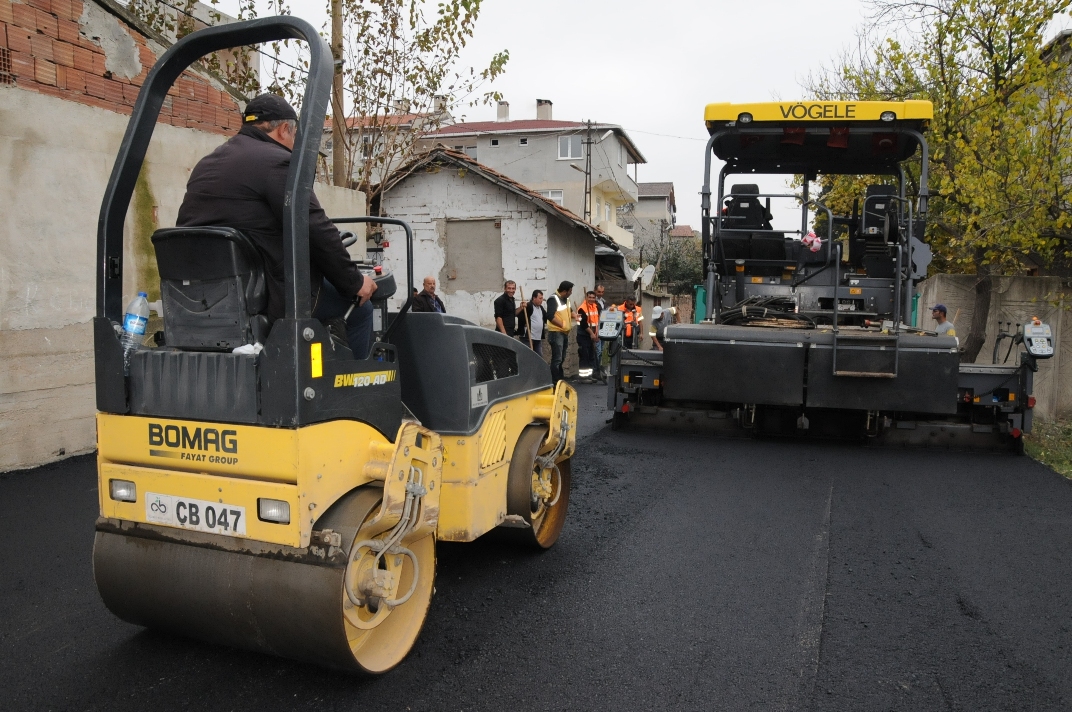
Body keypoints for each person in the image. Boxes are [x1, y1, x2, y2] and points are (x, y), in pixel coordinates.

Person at [176, 93, 377, 357]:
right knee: (361, 309)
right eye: (294, 136)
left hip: (202, 298)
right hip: (265, 297)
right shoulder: (276, 161)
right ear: (284, 130)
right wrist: (353, 281)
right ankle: (353, 394)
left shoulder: (207, 163)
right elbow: (314, 227)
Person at [545, 281, 574, 385]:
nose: (571, 292)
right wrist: (563, 325)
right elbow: (550, 316)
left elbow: (570, 311)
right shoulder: (553, 299)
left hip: (564, 332)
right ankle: (554, 381)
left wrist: (575, 316)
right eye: (570, 291)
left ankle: (560, 380)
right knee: (557, 359)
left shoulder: (566, 299)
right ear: (565, 291)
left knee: (561, 358)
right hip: (556, 332)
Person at [576, 290, 601, 381]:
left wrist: (596, 334)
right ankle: (583, 377)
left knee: (591, 355)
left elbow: (597, 322)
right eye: (589, 297)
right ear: (586, 297)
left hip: (593, 334)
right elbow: (583, 324)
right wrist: (591, 333)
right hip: (584, 335)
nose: (591, 299)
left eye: (593, 298)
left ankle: (590, 375)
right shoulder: (582, 308)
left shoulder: (596, 307)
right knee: (584, 356)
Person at [525, 289, 548, 355]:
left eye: (542, 298)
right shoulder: (529, 306)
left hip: (538, 337)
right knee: (529, 356)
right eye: (540, 298)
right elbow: (523, 316)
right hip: (529, 337)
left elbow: (546, 318)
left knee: (539, 356)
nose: (541, 300)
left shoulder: (541, 308)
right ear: (534, 298)